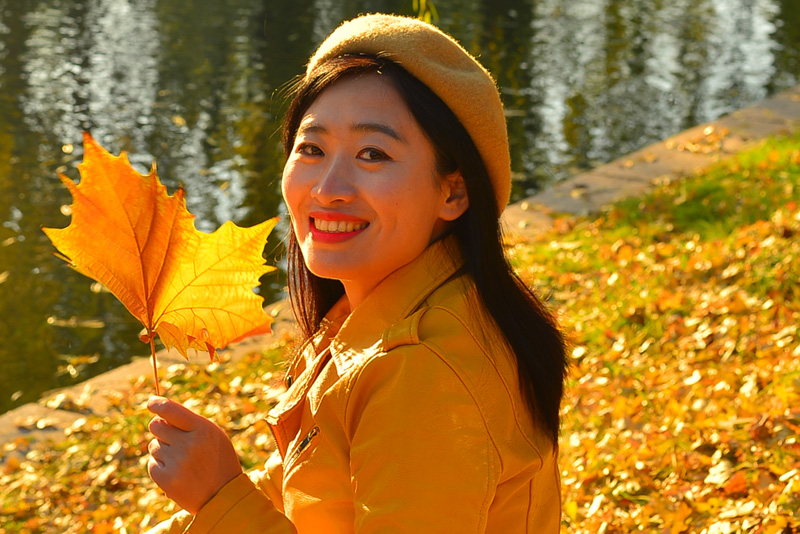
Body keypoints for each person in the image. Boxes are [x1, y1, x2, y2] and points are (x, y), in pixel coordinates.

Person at [145, 13, 568, 533]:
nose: (328, 188)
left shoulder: (422, 373)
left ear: (454, 191)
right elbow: (303, 490)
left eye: (373, 154)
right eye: (312, 149)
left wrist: (219, 498)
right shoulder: (377, 320)